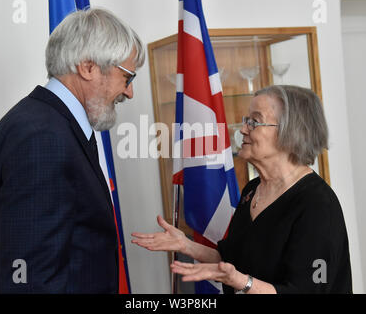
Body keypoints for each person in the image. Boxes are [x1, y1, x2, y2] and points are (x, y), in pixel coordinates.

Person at [0, 8, 145, 293]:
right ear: (88, 67)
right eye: (127, 77)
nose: (129, 92)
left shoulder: (48, 125)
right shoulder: (42, 138)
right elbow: (28, 280)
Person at [132, 85, 353, 294]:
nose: (243, 130)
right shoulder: (252, 190)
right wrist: (187, 246)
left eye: (254, 122)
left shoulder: (317, 205)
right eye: (246, 120)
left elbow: (308, 291)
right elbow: (231, 260)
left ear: (291, 132)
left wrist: (242, 282)